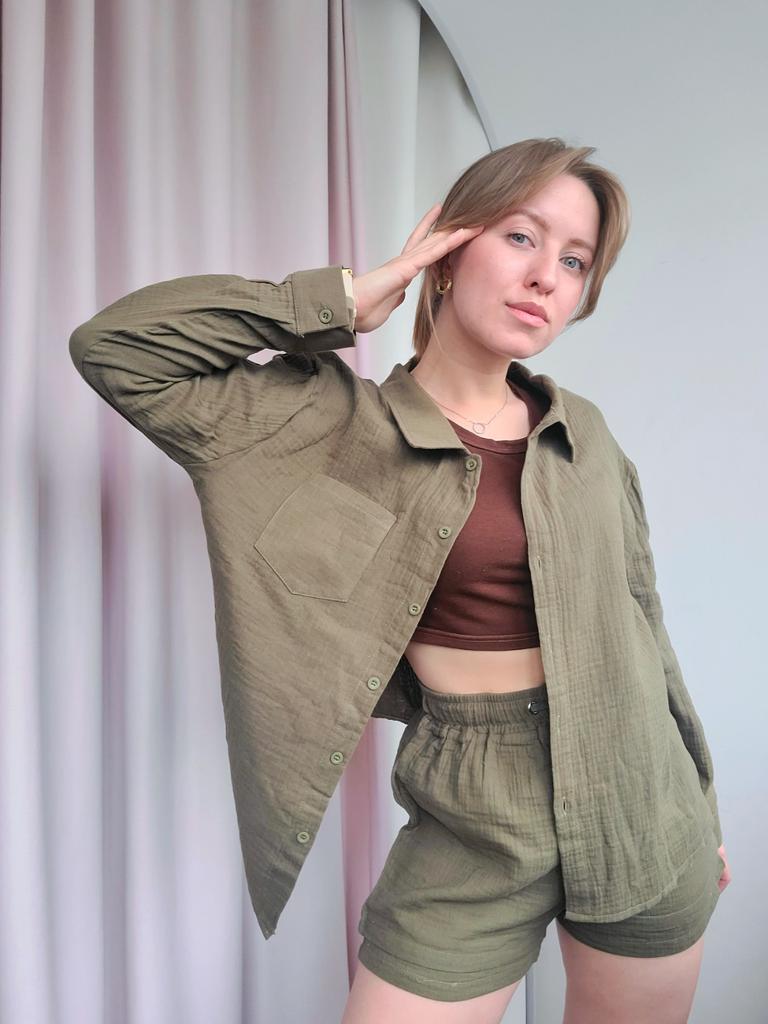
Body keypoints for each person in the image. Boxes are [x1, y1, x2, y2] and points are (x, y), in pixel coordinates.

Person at [69, 138, 730, 1023]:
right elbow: (115, 350)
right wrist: (344, 300)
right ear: (448, 250)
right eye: (521, 237)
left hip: (642, 793)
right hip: (473, 803)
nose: (546, 276)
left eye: (575, 262)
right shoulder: (323, 422)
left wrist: (701, 803)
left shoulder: (587, 435)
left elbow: (643, 618)